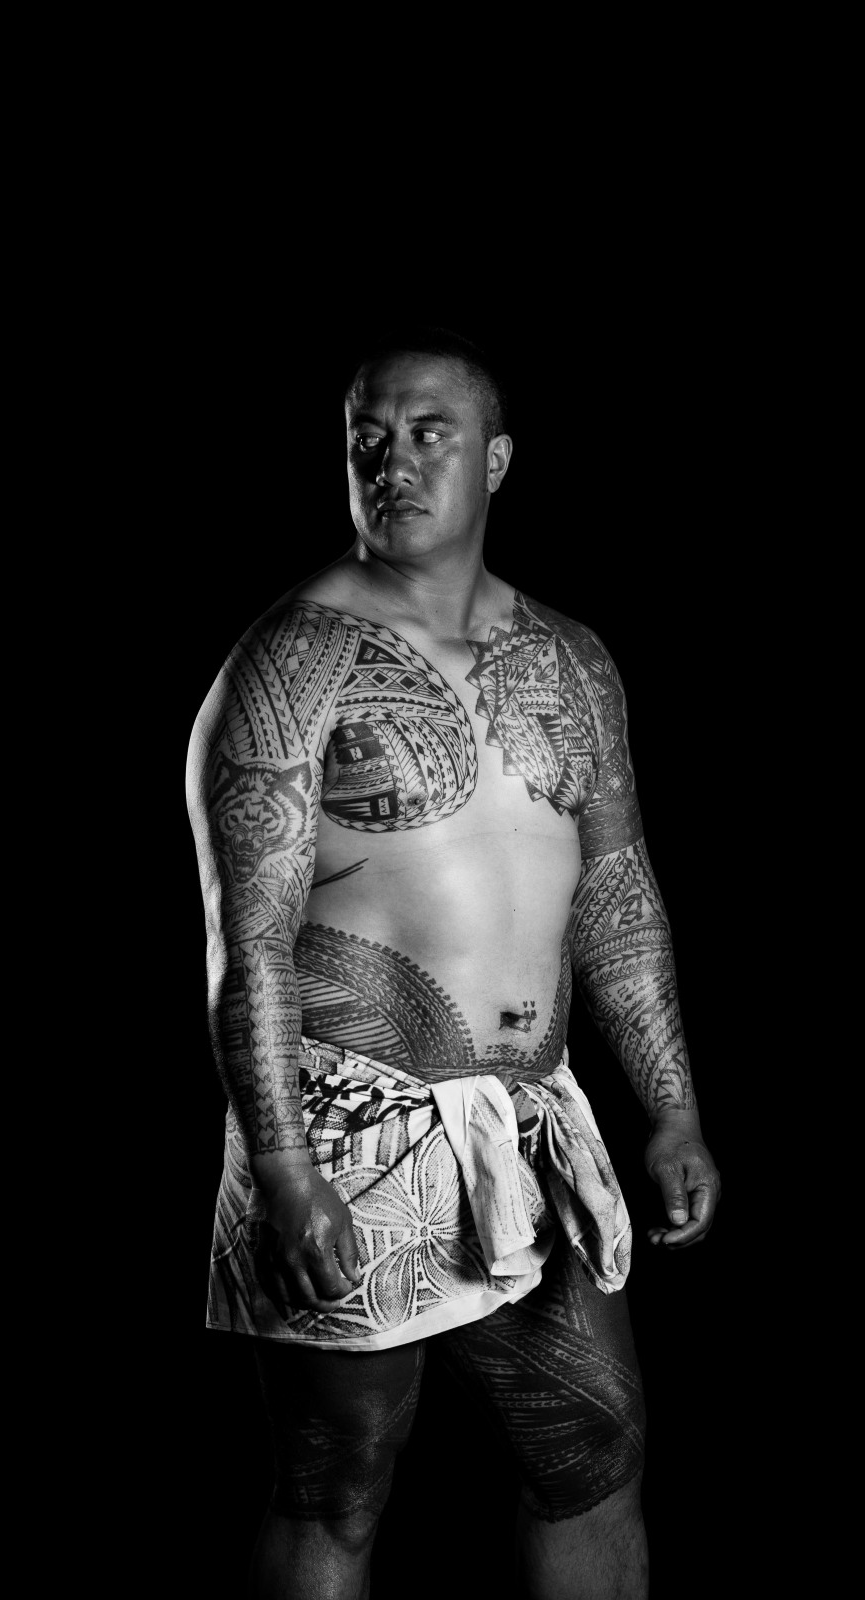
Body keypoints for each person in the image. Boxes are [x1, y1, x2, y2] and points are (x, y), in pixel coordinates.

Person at [186, 325, 721, 1600]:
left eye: (429, 434)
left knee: (595, 1451)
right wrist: (281, 1166)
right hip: (347, 1120)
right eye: (367, 439)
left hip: (530, 1117)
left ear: (497, 458)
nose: (393, 462)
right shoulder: (290, 664)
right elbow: (246, 939)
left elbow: (617, 890)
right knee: (338, 1482)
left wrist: (673, 1110)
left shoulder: (573, 660)